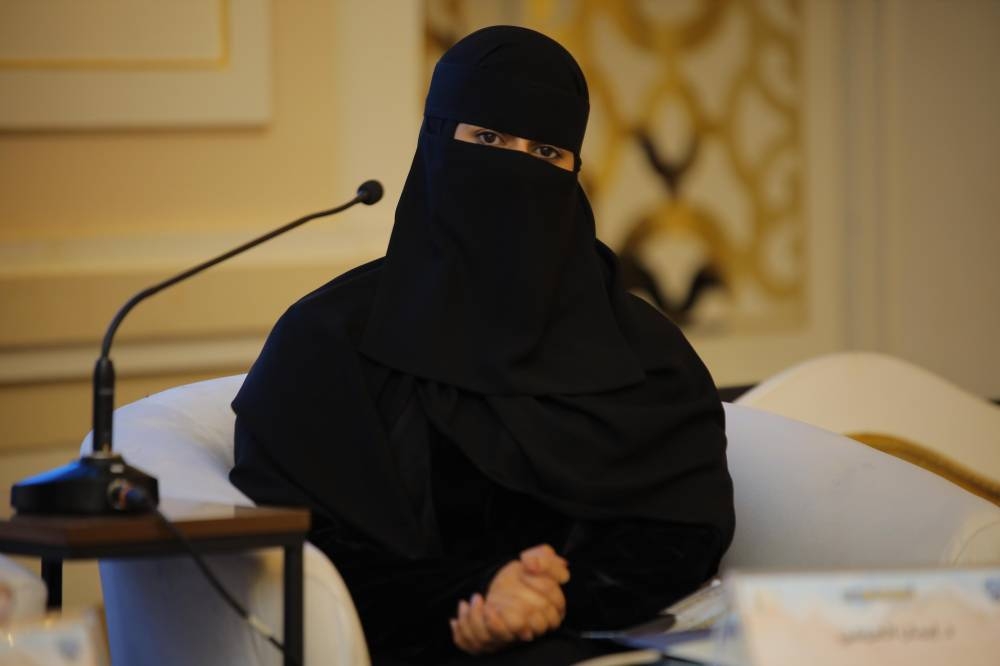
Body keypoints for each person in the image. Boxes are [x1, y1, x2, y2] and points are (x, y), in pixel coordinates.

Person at [230, 25, 734, 665]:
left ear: (575, 172)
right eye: (489, 140)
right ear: (435, 144)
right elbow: (303, 547)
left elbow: (686, 528)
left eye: (546, 152)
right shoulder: (329, 340)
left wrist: (555, 600)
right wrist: (472, 599)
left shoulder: (643, 350)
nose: (516, 169)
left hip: (606, 646)